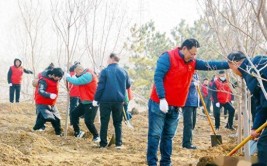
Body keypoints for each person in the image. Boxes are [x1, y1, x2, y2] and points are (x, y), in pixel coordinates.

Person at [147, 38, 229, 166]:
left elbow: (209, 64)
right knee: (155, 135)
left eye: (196, 54)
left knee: (168, 136)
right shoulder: (167, 57)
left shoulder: (193, 62)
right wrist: (162, 98)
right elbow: (158, 77)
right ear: (184, 48)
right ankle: (152, 163)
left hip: (175, 105)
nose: (193, 56)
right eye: (192, 53)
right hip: (159, 103)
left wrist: (229, 64)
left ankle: (166, 162)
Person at [227, 51, 267, 165]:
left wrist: (256, 127)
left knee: (263, 145)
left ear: (235, 63)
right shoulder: (258, 62)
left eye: (231, 67)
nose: (233, 71)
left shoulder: (251, 72)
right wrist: (256, 127)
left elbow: (262, 102)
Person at [94, 53, 131, 149]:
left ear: (111, 58)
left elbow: (100, 86)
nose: (107, 60)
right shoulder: (124, 71)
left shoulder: (105, 71)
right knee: (118, 122)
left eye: (108, 58)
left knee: (104, 122)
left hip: (105, 100)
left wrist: (96, 99)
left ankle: (103, 144)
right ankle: (118, 144)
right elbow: (128, 85)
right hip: (119, 101)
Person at [65, 65, 99, 142]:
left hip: (91, 102)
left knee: (88, 121)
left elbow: (77, 82)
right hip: (84, 102)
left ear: (80, 70)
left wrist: (68, 78)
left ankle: (96, 136)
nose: (76, 75)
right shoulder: (84, 74)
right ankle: (78, 132)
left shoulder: (88, 75)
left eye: (76, 73)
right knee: (74, 114)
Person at [32, 68, 64, 136]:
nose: (58, 78)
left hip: (51, 103)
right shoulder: (43, 80)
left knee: (57, 118)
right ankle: (35, 130)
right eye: (57, 76)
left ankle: (58, 133)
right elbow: (41, 91)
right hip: (42, 101)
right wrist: (49, 95)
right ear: (53, 74)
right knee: (45, 117)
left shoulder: (56, 80)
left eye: (59, 77)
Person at [182, 73, 199, 149]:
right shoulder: (185, 72)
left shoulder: (196, 75)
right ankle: (186, 143)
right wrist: (192, 84)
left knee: (193, 124)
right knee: (188, 123)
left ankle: (189, 140)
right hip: (187, 102)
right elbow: (182, 84)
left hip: (194, 102)